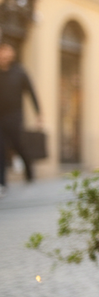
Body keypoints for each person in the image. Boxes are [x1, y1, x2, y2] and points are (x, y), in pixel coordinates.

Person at [0, 40, 42, 194]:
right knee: (1, 149)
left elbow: (31, 91)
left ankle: (30, 174)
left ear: (12, 54)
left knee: (18, 145)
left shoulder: (19, 72)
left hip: (15, 115)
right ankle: (2, 183)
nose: (4, 54)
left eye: (6, 51)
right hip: (0, 117)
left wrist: (38, 113)